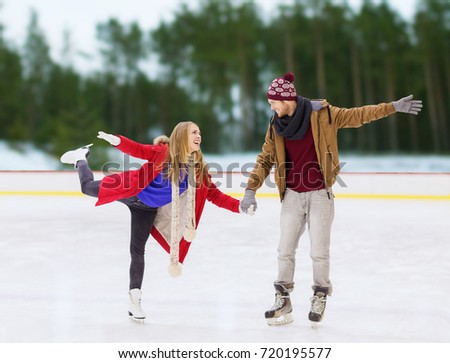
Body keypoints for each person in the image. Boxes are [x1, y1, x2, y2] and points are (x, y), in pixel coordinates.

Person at [240, 72, 423, 326]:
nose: (270, 106)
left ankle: (319, 294)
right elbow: (264, 159)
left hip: (319, 194)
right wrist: (251, 189)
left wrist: (392, 107)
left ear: (287, 99)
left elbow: (358, 115)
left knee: (319, 251)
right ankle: (283, 299)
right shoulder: (275, 125)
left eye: (273, 101)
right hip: (292, 194)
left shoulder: (322, 114)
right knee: (284, 250)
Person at [60, 121, 254, 322]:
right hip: (130, 188)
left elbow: (215, 196)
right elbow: (138, 149)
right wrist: (117, 141)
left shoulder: (198, 171)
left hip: (146, 209)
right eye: (194, 132)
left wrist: (239, 206)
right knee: (87, 188)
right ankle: (81, 159)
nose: (199, 136)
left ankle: (134, 299)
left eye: (200, 132)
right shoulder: (163, 152)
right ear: (181, 136)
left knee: (137, 250)